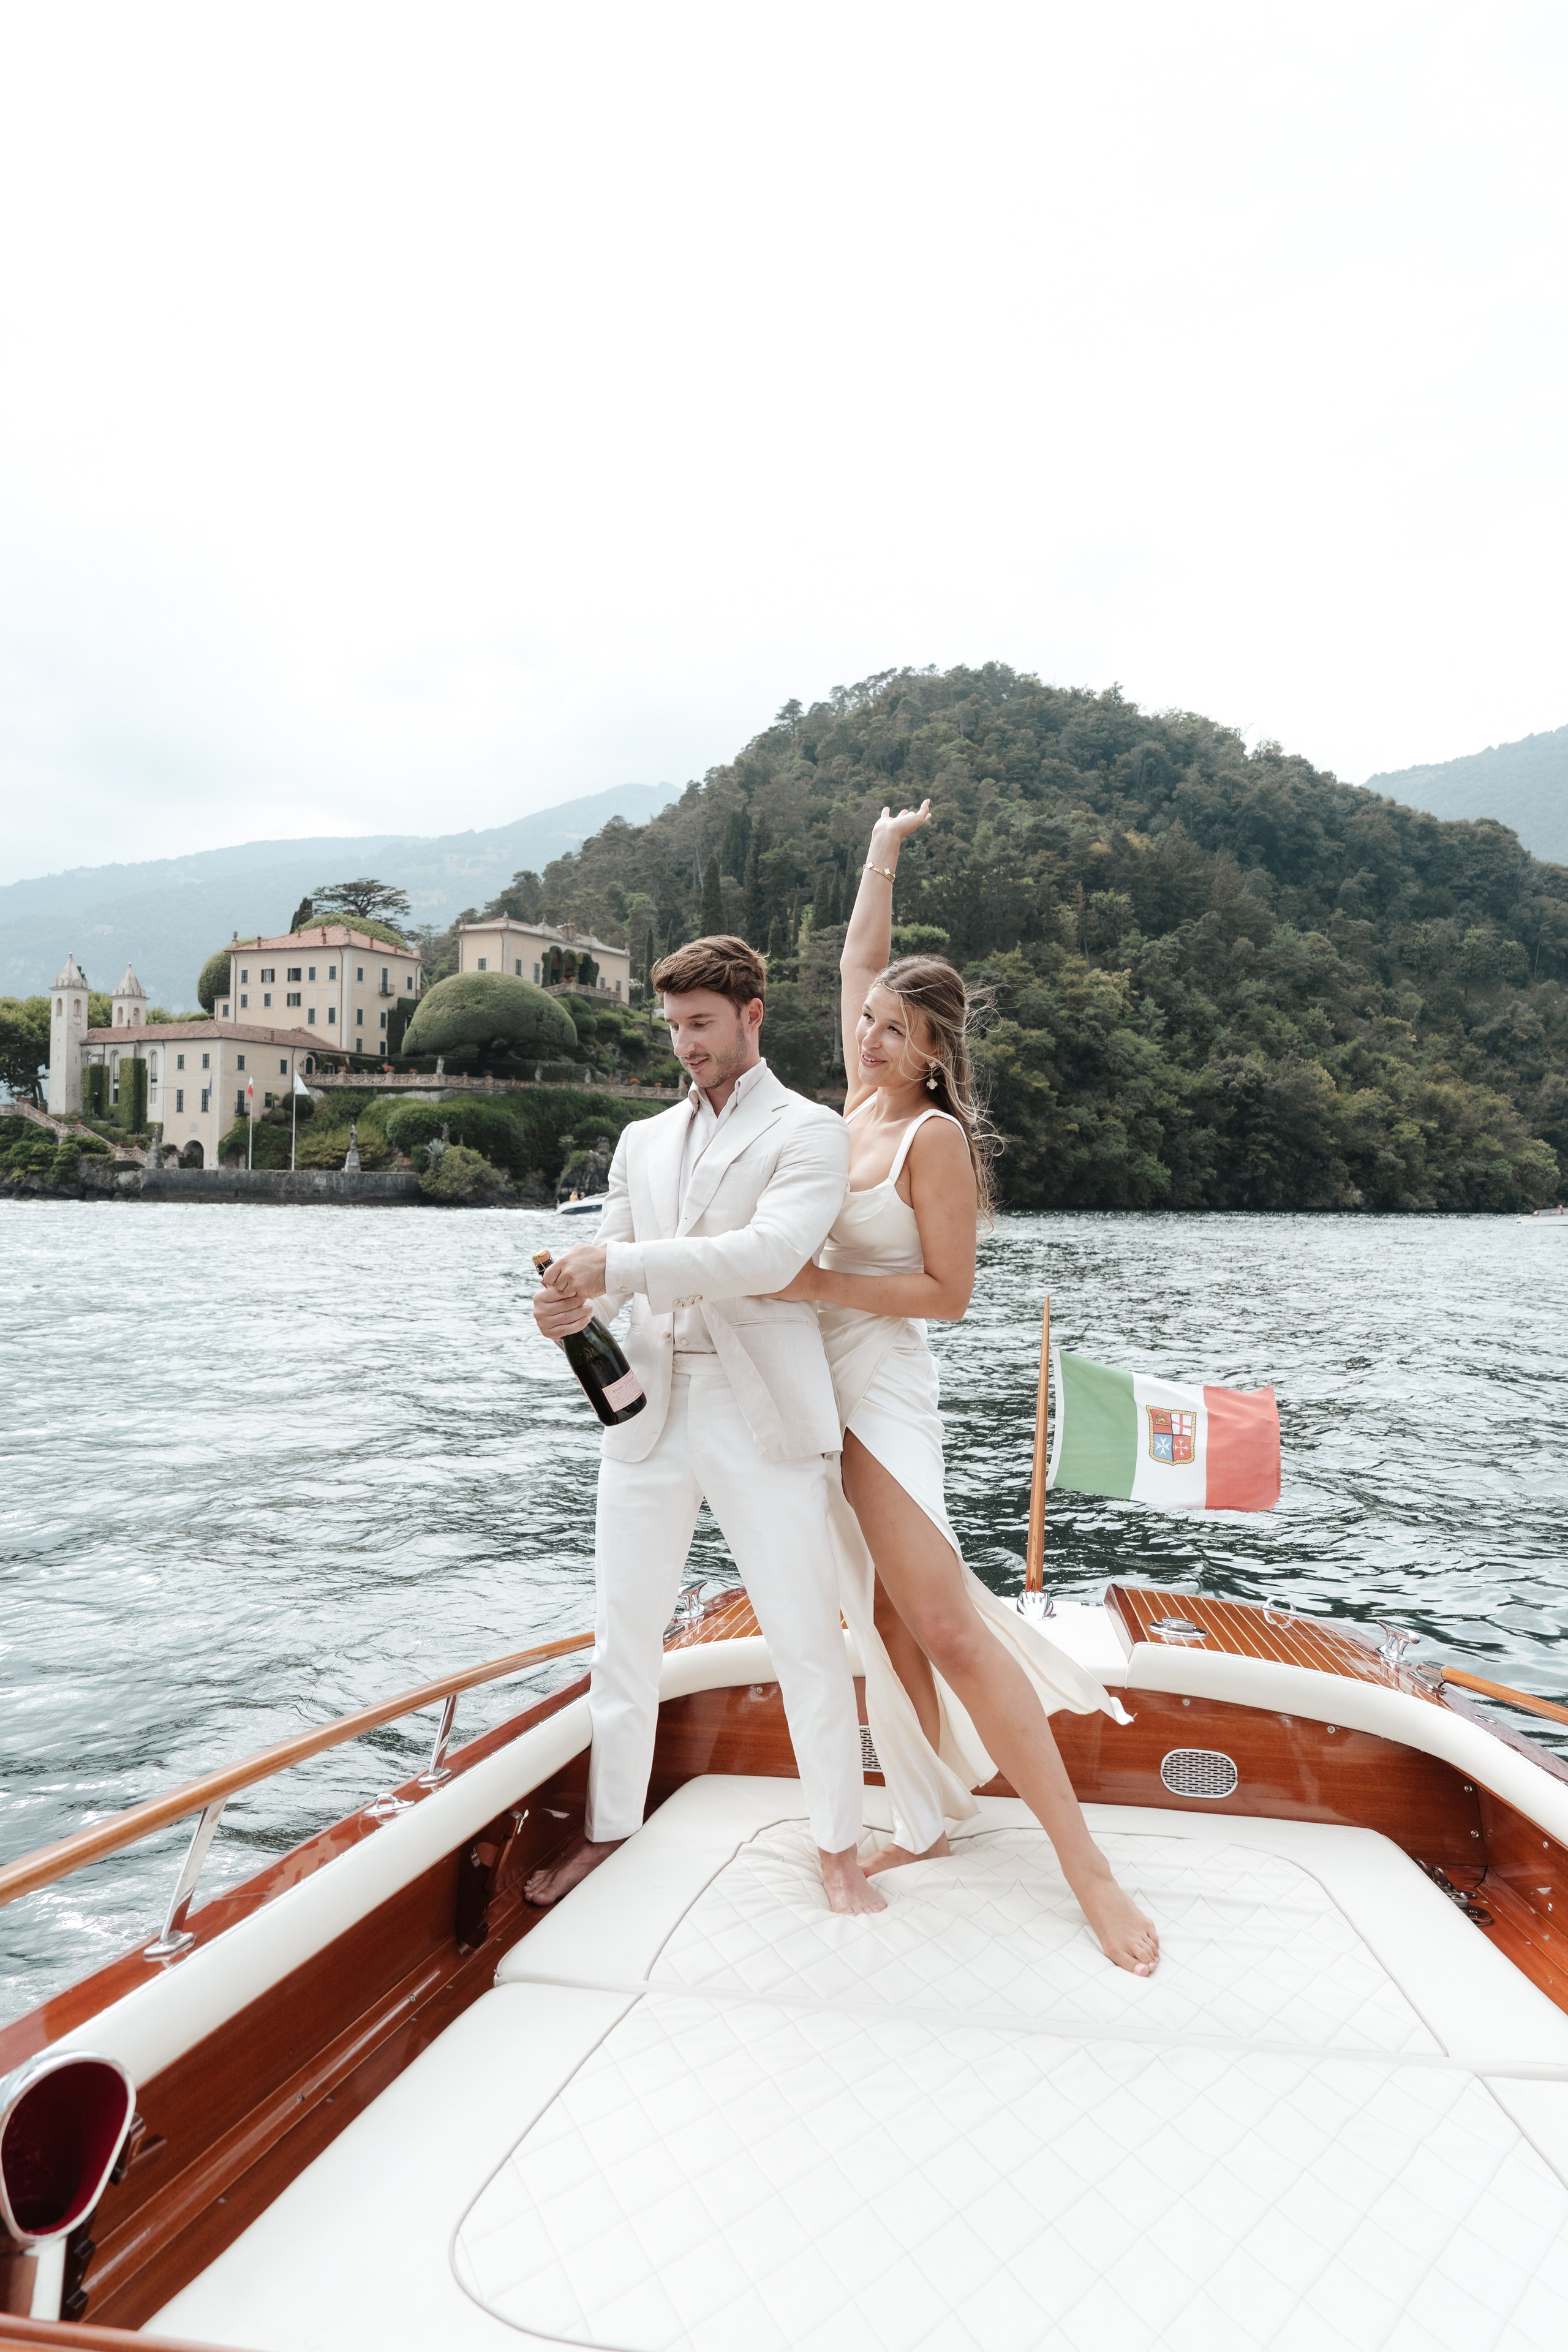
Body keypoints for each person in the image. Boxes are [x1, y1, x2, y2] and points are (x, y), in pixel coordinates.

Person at [767, 802, 1160, 1976]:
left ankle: (1086, 1868)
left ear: (935, 1050)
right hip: (808, 1379)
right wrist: (883, 852)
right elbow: (853, 955)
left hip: (882, 1379)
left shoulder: (931, 1141)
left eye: (895, 1030)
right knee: (880, 1617)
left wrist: (819, 1277)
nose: (871, 1036)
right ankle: (929, 1820)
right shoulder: (845, 1111)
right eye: (871, 1022)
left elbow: (948, 1296)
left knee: (941, 1622)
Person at [527, 935, 885, 1918]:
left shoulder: (812, 1131)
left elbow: (769, 1256)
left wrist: (617, 1268)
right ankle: (610, 1831)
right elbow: (611, 1259)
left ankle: (839, 1851)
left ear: (752, 1015)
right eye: (675, 1026)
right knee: (623, 1637)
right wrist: (569, 1310)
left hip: (759, 1408)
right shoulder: (642, 1140)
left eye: (702, 1025)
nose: (685, 1044)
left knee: (806, 1636)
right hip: (645, 1408)